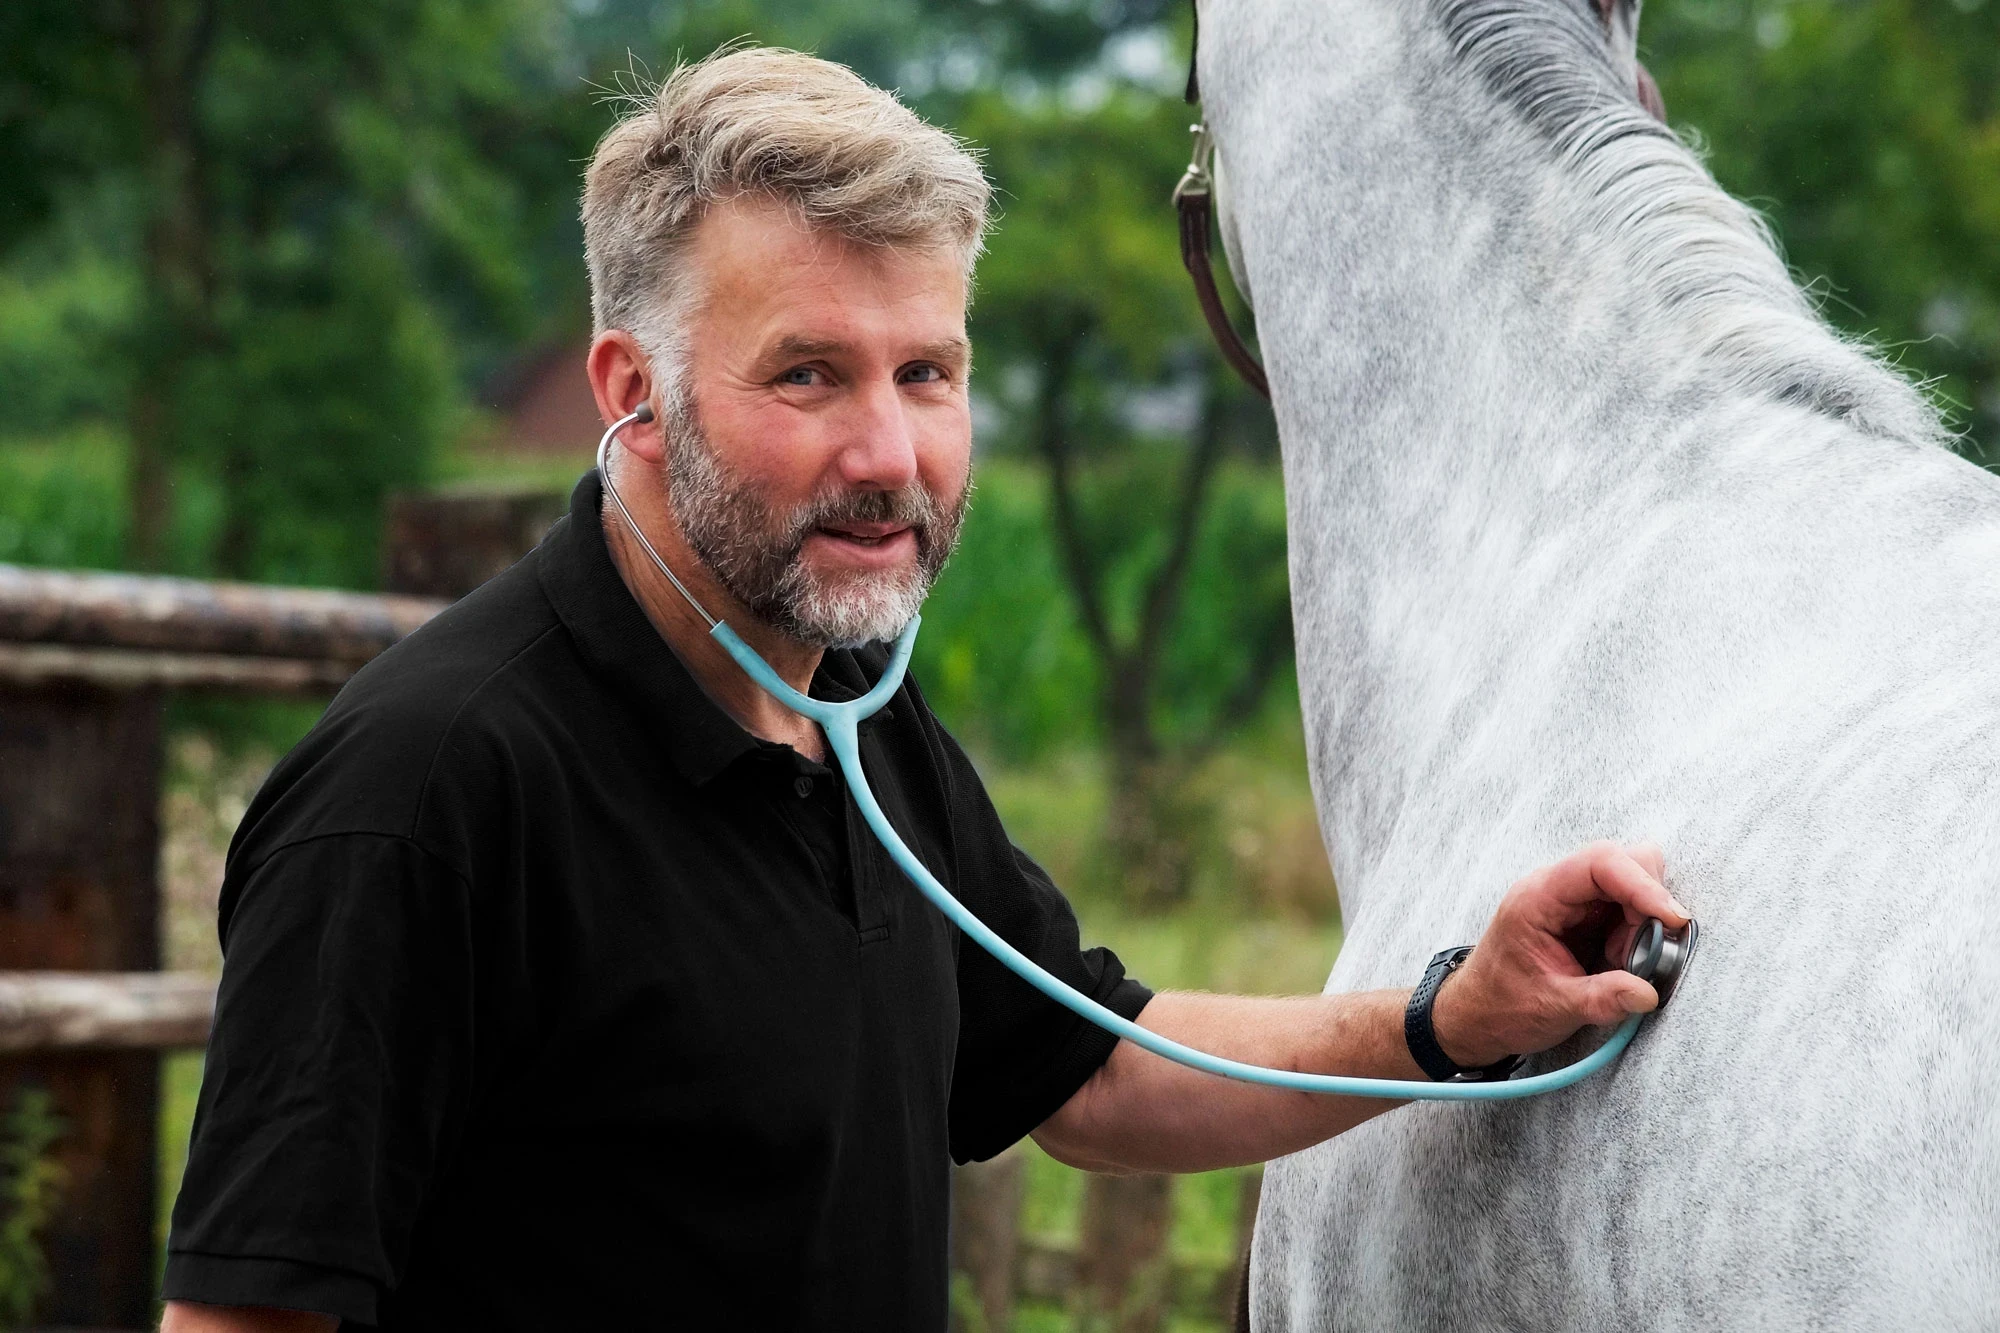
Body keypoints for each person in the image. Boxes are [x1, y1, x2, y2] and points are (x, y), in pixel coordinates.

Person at [158, 46, 1688, 1333]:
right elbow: (247, 1315)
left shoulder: (852, 711)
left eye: (928, 374)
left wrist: (1455, 1018)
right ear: (635, 393)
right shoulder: (424, 793)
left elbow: (1086, 1070)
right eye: (809, 376)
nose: (890, 457)